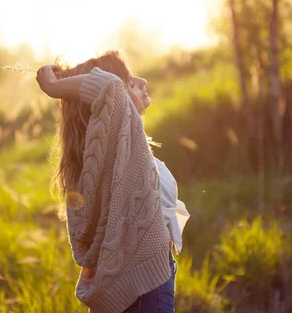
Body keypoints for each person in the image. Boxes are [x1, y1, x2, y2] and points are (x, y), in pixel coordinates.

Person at [36, 50, 190, 313]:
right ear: (114, 103)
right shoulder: (117, 159)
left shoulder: (124, 155)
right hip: (144, 291)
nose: (142, 81)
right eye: (130, 82)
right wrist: (54, 87)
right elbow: (110, 85)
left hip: (146, 284)